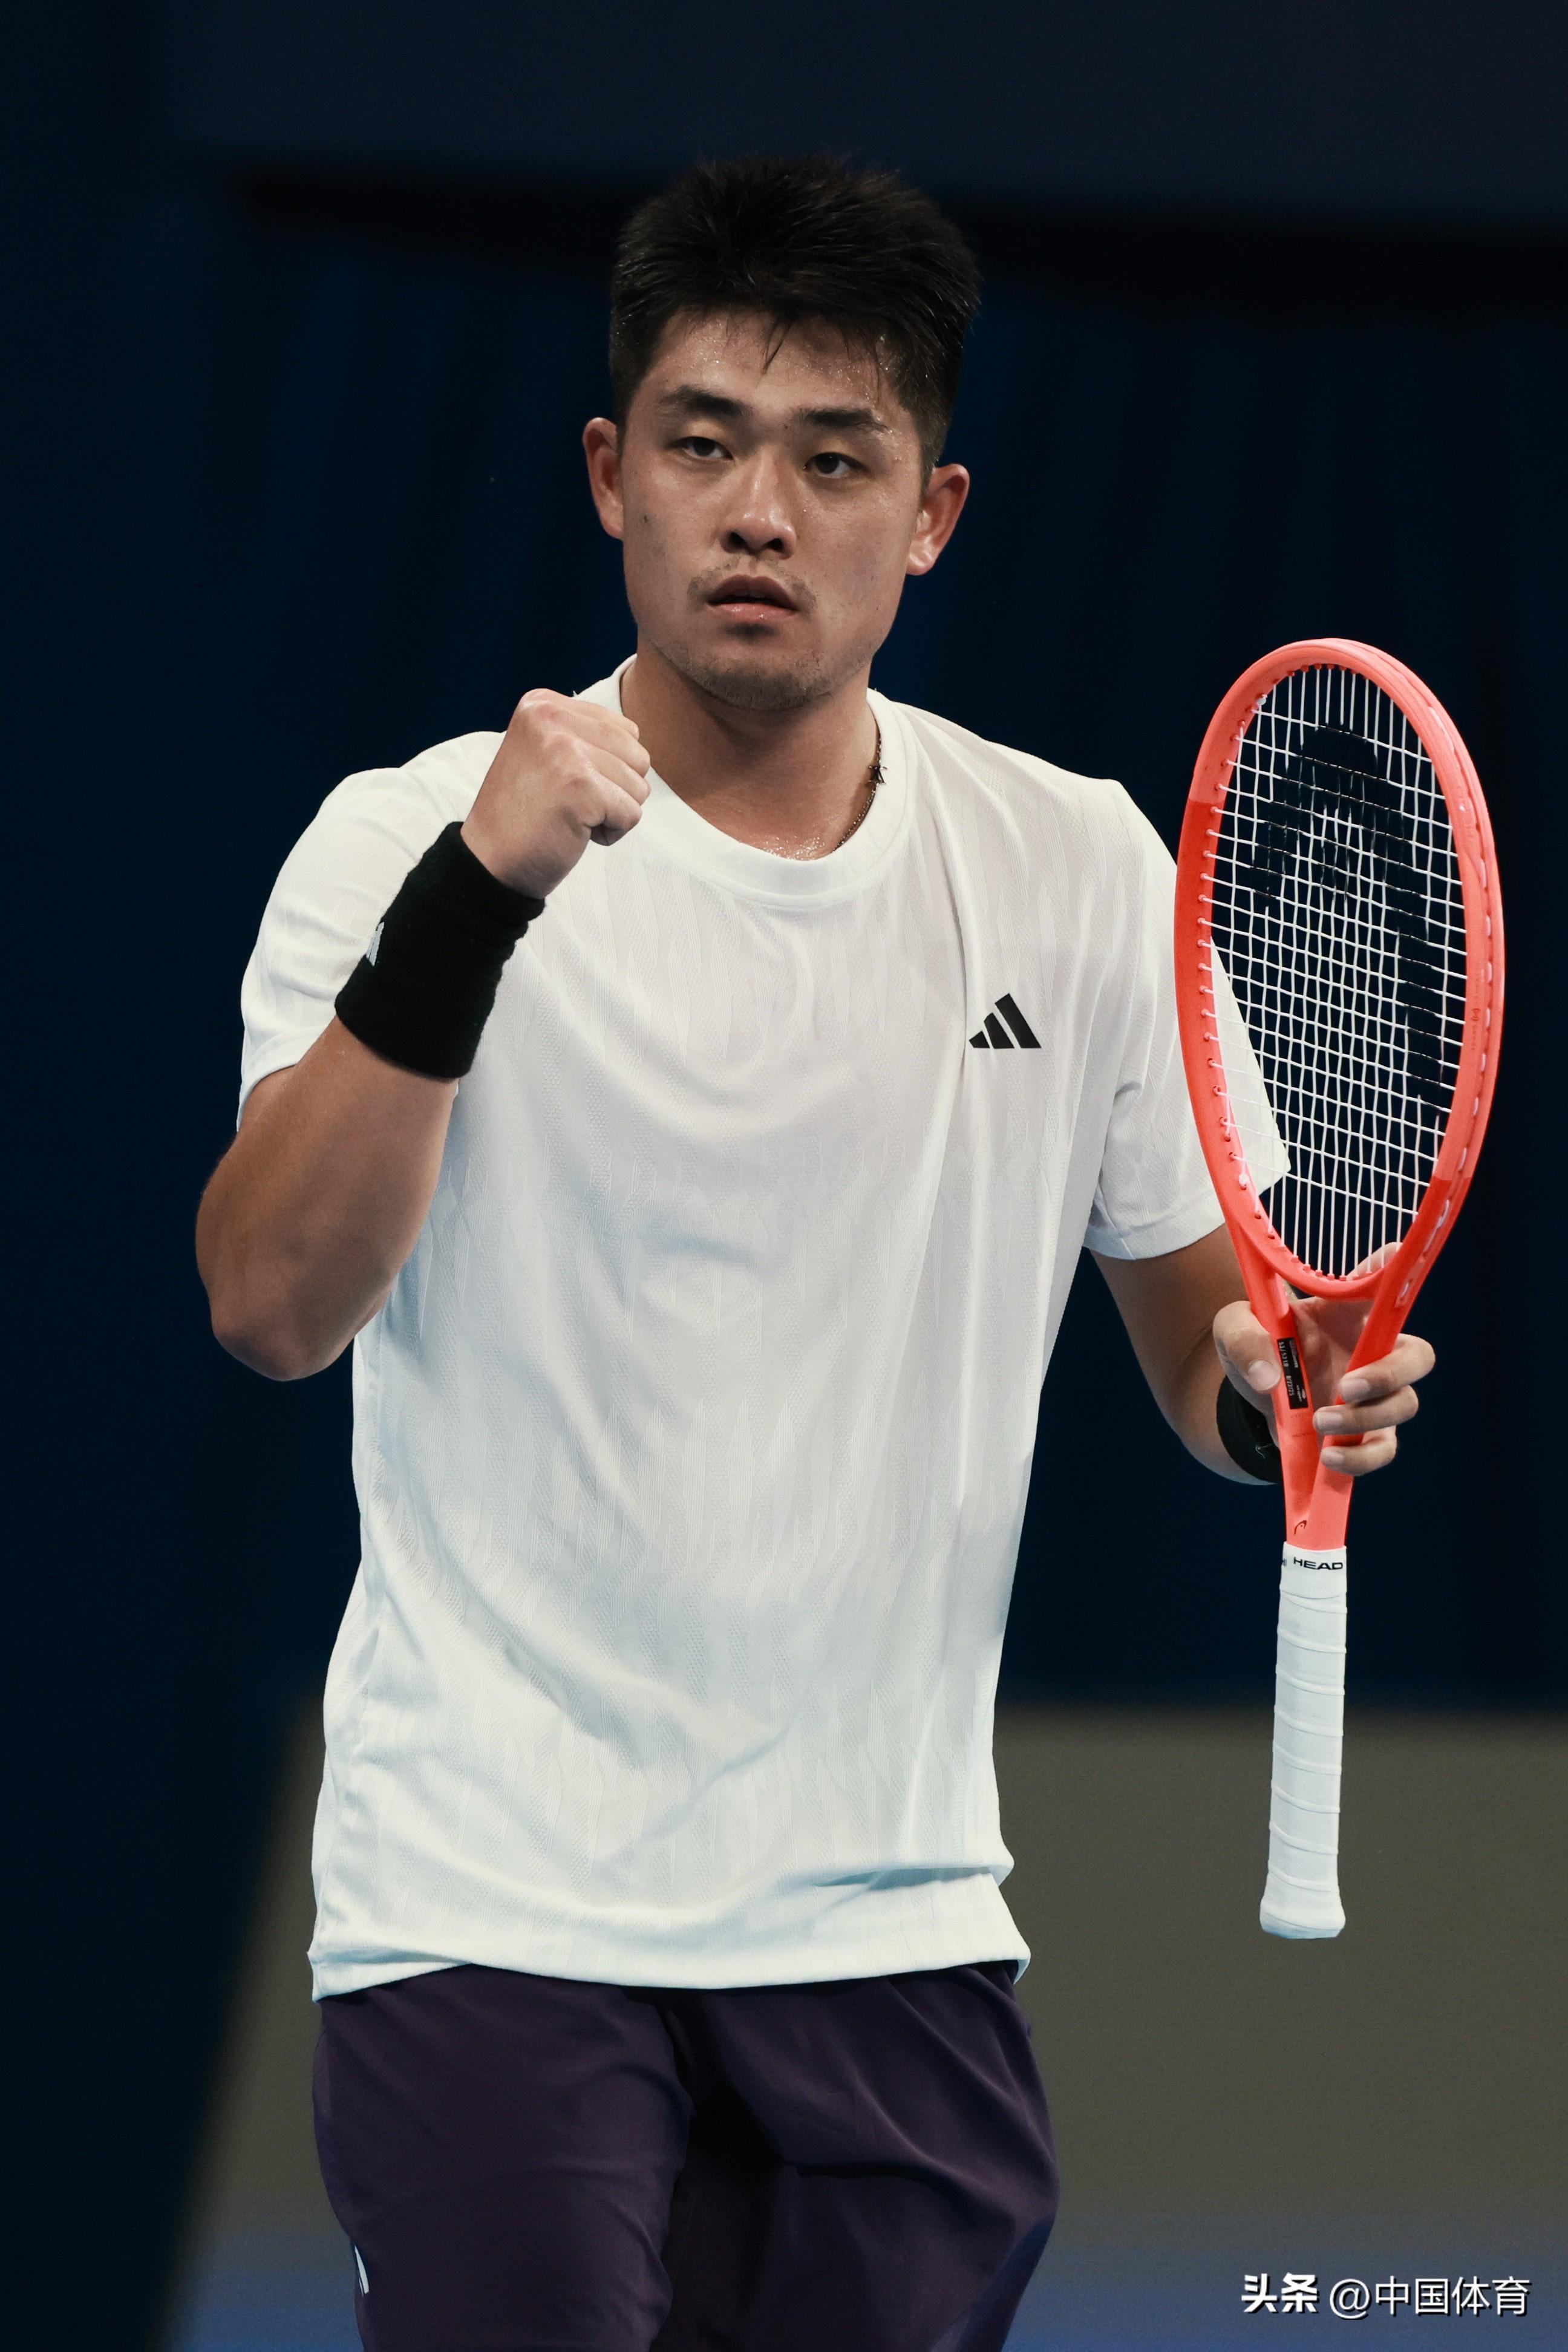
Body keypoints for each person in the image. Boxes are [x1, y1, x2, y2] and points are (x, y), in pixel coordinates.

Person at [195, 156, 1434, 2352]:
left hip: (893, 1929)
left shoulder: (1076, 868)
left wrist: (1284, 1399)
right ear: (614, 479)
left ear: (932, 513)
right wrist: (479, 897)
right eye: (706, 445)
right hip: (494, 1908)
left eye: (834, 460)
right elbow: (274, 1307)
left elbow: (1209, 1336)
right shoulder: (403, 839)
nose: (759, 513)